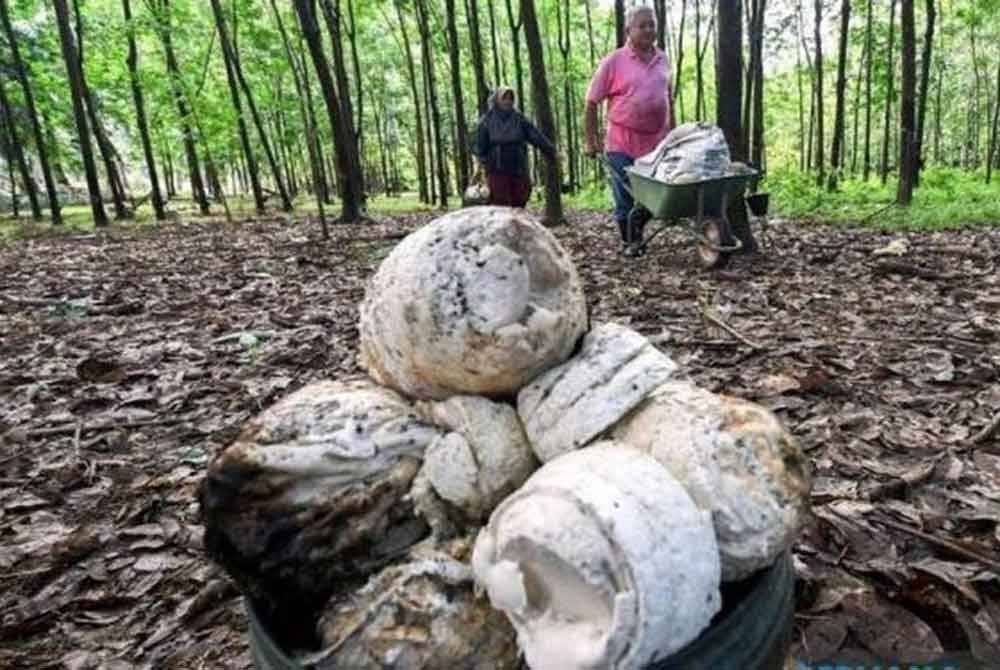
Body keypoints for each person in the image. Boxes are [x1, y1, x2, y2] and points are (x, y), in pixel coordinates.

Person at [584, 5, 676, 255]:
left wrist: (674, 135)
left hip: (656, 143)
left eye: (652, 24)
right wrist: (590, 140)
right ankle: (629, 243)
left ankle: (636, 230)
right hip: (621, 141)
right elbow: (592, 101)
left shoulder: (663, 59)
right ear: (629, 30)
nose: (648, 29)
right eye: (642, 25)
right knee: (624, 194)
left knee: (655, 195)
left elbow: (668, 98)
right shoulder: (614, 62)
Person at [473, 86, 557, 208]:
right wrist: (484, 163)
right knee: (500, 203)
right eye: (504, 98)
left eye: (510, 98)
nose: (508, 101)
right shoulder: (486, 120)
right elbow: (480, 147)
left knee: (520, 199)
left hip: (518, 166)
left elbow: (535, 135)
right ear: (497, 100)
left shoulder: (519, 119)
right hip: (496, 168)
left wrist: (551, 150)